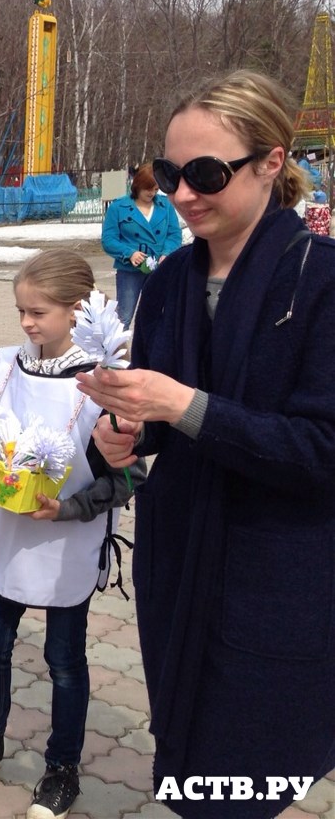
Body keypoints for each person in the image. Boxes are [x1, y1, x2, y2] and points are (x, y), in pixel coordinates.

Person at [78, 70, 335, 818]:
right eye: (170, 172)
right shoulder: (170, 283)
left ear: (270, 162)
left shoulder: (319, 282)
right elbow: (165, 423)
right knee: (189, 756)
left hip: (277, 572)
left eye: (206, 173)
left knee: (250, 777)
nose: (183, 194)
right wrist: (123, 433)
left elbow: (321, 450)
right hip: (180, 561)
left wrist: (182, 406)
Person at [0, 250, 146, 819]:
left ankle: (62, 767)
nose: (27, 323)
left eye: (39, 312)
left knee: (63, 661)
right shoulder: (7, 365)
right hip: (7, 538)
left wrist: (67, 510)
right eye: (21, 311)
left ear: (77, 309)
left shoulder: (103, 381)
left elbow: (128, 477)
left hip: (66, 544)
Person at [101, 163, 182, 326]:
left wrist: (167, 253)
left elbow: (174, 234)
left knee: (156, 315)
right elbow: (108, 239)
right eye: (148, 189)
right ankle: (117, 350)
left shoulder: (165, 206)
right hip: (130, 271)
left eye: (155, 189)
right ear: (137, 186)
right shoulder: (118, 207)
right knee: (123, 317)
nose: (152, 193)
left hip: (159, 268)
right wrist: (129, 253)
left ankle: (153, 350)